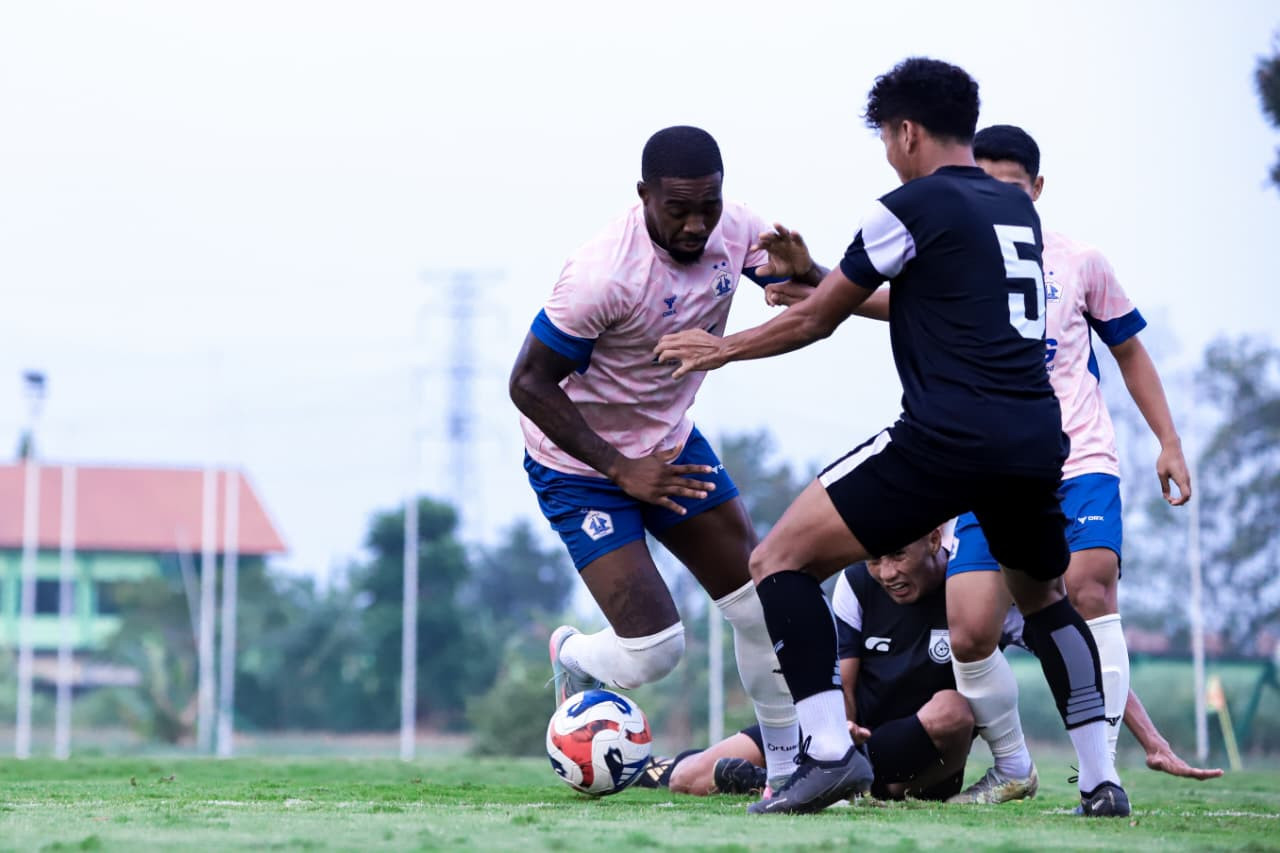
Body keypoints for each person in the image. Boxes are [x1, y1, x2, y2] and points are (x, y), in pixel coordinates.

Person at [655, 57, 1124, 816]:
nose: (885, 153)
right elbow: (919, 296)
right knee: (1043, 600)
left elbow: (816, 319)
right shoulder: (1014, 213)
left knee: (779, 559)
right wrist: (819, 272)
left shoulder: (909, 203)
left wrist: (724, 346)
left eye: (884, 137)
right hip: (1035, 436)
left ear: (906, 132)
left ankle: (828, 755)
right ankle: (1103, 782)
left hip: (947, 438)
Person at [507, 125, 811, 791]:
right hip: (581, 468)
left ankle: (788, 771)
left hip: (670, 445)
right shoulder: (601, 275)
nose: (697, 224)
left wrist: (806, 272)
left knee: (763, 604)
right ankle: (575, 653)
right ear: (643, 195)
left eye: (709, 205)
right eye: (678, 209)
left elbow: (807, 305)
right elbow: (526, 383)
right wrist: (621, 469)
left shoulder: (740, 231)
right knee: (656, 650)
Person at [665, 525, 981, 802]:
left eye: (898, 556)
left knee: (952, 710)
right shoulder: (856, 582)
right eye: (875, 559)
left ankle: (877, 789)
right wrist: (840, 735)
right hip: (847, 734)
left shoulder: (970, 583)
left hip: (915, 750)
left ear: (935, 540)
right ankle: (793, 781)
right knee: (687, 778)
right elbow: (842, 682)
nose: (887, 573)